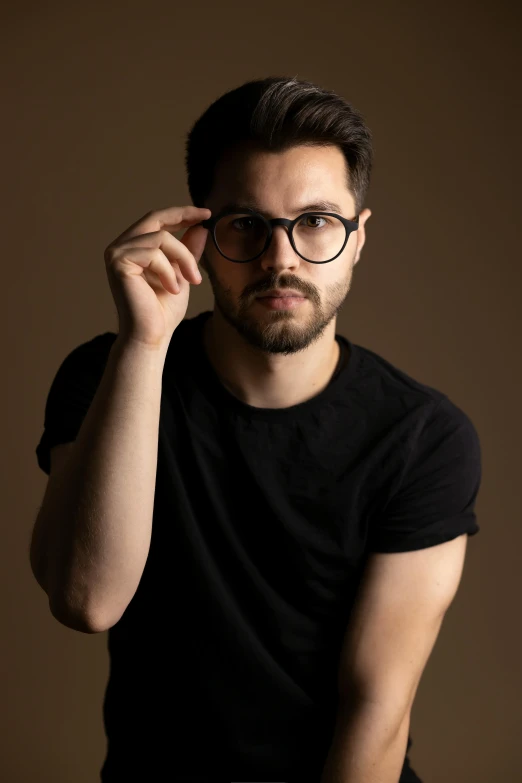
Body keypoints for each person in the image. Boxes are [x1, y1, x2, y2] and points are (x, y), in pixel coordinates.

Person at [31, 76, 482, 783]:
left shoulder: (422, 437)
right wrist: (144, 345)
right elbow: (87, 599)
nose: (281, 258)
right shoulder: (110, 374)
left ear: (358, 238)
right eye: (247, 223)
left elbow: (376, 712)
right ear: (198, 237)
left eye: (317, 221)